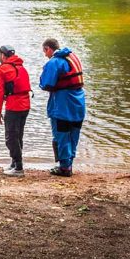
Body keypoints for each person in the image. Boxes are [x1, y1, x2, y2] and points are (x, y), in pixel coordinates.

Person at [39, 38, 86, 177]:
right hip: (78, 104)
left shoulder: (54, 62)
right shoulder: (73, 57)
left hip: (62, 105)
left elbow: (46, 84)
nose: (45, 55)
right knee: (73, 135)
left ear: (48, 49)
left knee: (61, 136)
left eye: (44, 52)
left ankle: (64, 167)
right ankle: (69, 164)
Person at [0, 46, 31, 177]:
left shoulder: (2, 70)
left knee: (10, 138)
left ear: (3, 56)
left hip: (14, 106)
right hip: (26, 105)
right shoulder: (21, 67)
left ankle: (19, 167)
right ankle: (14, 163)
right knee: (18, 135)